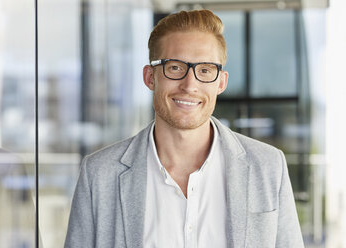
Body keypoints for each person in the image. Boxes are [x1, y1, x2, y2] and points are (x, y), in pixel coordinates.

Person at [64, 9, 304, 248]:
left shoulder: (268, 166)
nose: (190, 85)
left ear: (221, 82)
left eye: (205, 70)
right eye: (176, 67)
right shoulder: (98, 175)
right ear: (150, 77)